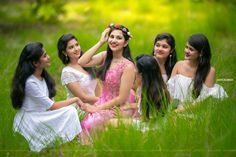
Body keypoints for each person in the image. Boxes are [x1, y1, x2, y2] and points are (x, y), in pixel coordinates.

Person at [11, 42, 82, 152]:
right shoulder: (30, 83)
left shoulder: (42, 77)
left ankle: (75, 141)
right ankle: (78, 141)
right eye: (44, 56)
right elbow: (52, 106)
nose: (48, 57)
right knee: (71, 110)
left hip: (43, 114)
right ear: (35, 63)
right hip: (32, 120)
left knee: (69, 111)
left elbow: (50, 104)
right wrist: (76, 99)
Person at [78, 24, 135, 133]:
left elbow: (122, 98)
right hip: (102, 101)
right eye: (112, 36)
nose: (114, 40)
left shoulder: (128, 66)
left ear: (126, 43)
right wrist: (100, 42)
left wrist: (96, 108)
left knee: (89, 125)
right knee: (85, 124)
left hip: (117, 106)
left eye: (119, 38)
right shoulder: (105, 56)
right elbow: (82, 62)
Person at [167, 34, 228, 111]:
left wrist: (181, 110)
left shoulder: (209, 71)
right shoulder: (178, 65)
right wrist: (173, 109)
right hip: (175, 107)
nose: (186, 51)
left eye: (191, 49)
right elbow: (170, 91)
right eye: (186, 47)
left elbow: (203, 99)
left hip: (195, 110)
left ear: (201, 53)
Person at [57, 34, 100, 118]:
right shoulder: (67, 72)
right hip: (80, 109)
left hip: (95, 104)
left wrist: (103, 103)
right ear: (64, 52)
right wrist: (105, 101)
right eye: (71, 47)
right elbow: (83, 98)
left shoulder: (87, 63)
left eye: (77, 45)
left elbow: (98, 87)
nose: (76, 49)